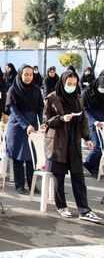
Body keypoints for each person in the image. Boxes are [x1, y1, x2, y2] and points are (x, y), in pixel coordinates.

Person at [43, 71, 102, 222]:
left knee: (78, 177)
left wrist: (87, 137)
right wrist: (62, 118)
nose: (71, 87)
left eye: (74, 84)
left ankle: (84, 209)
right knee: (59, 177)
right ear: (62, 83)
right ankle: (61, 205)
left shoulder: (78, 98)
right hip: (58, 142)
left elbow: (82, 120)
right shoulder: (52, 98)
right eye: (68, 84)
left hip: (74, 142)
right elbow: (46, 120)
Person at [5, 65, 43, 195]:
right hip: (17, 125)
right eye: (26, 74)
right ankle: (19, 184)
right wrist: (26, 125)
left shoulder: (36, 90)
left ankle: (33, 185)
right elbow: (14, 111)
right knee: (18, 157)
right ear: (20, 74)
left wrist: (42, 123)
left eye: (31, 74)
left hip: (32, 125)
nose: (28, 77)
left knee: (32, 157)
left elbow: (40, 108)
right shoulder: (13, 89)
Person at [82, 73, 104, 177]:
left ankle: (97, 167)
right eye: (101, 88)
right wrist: (94, 121)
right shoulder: (86, 93)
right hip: (91, 120)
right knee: (97, 146)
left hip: (103, 121)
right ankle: (89, 164)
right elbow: (85, 109)